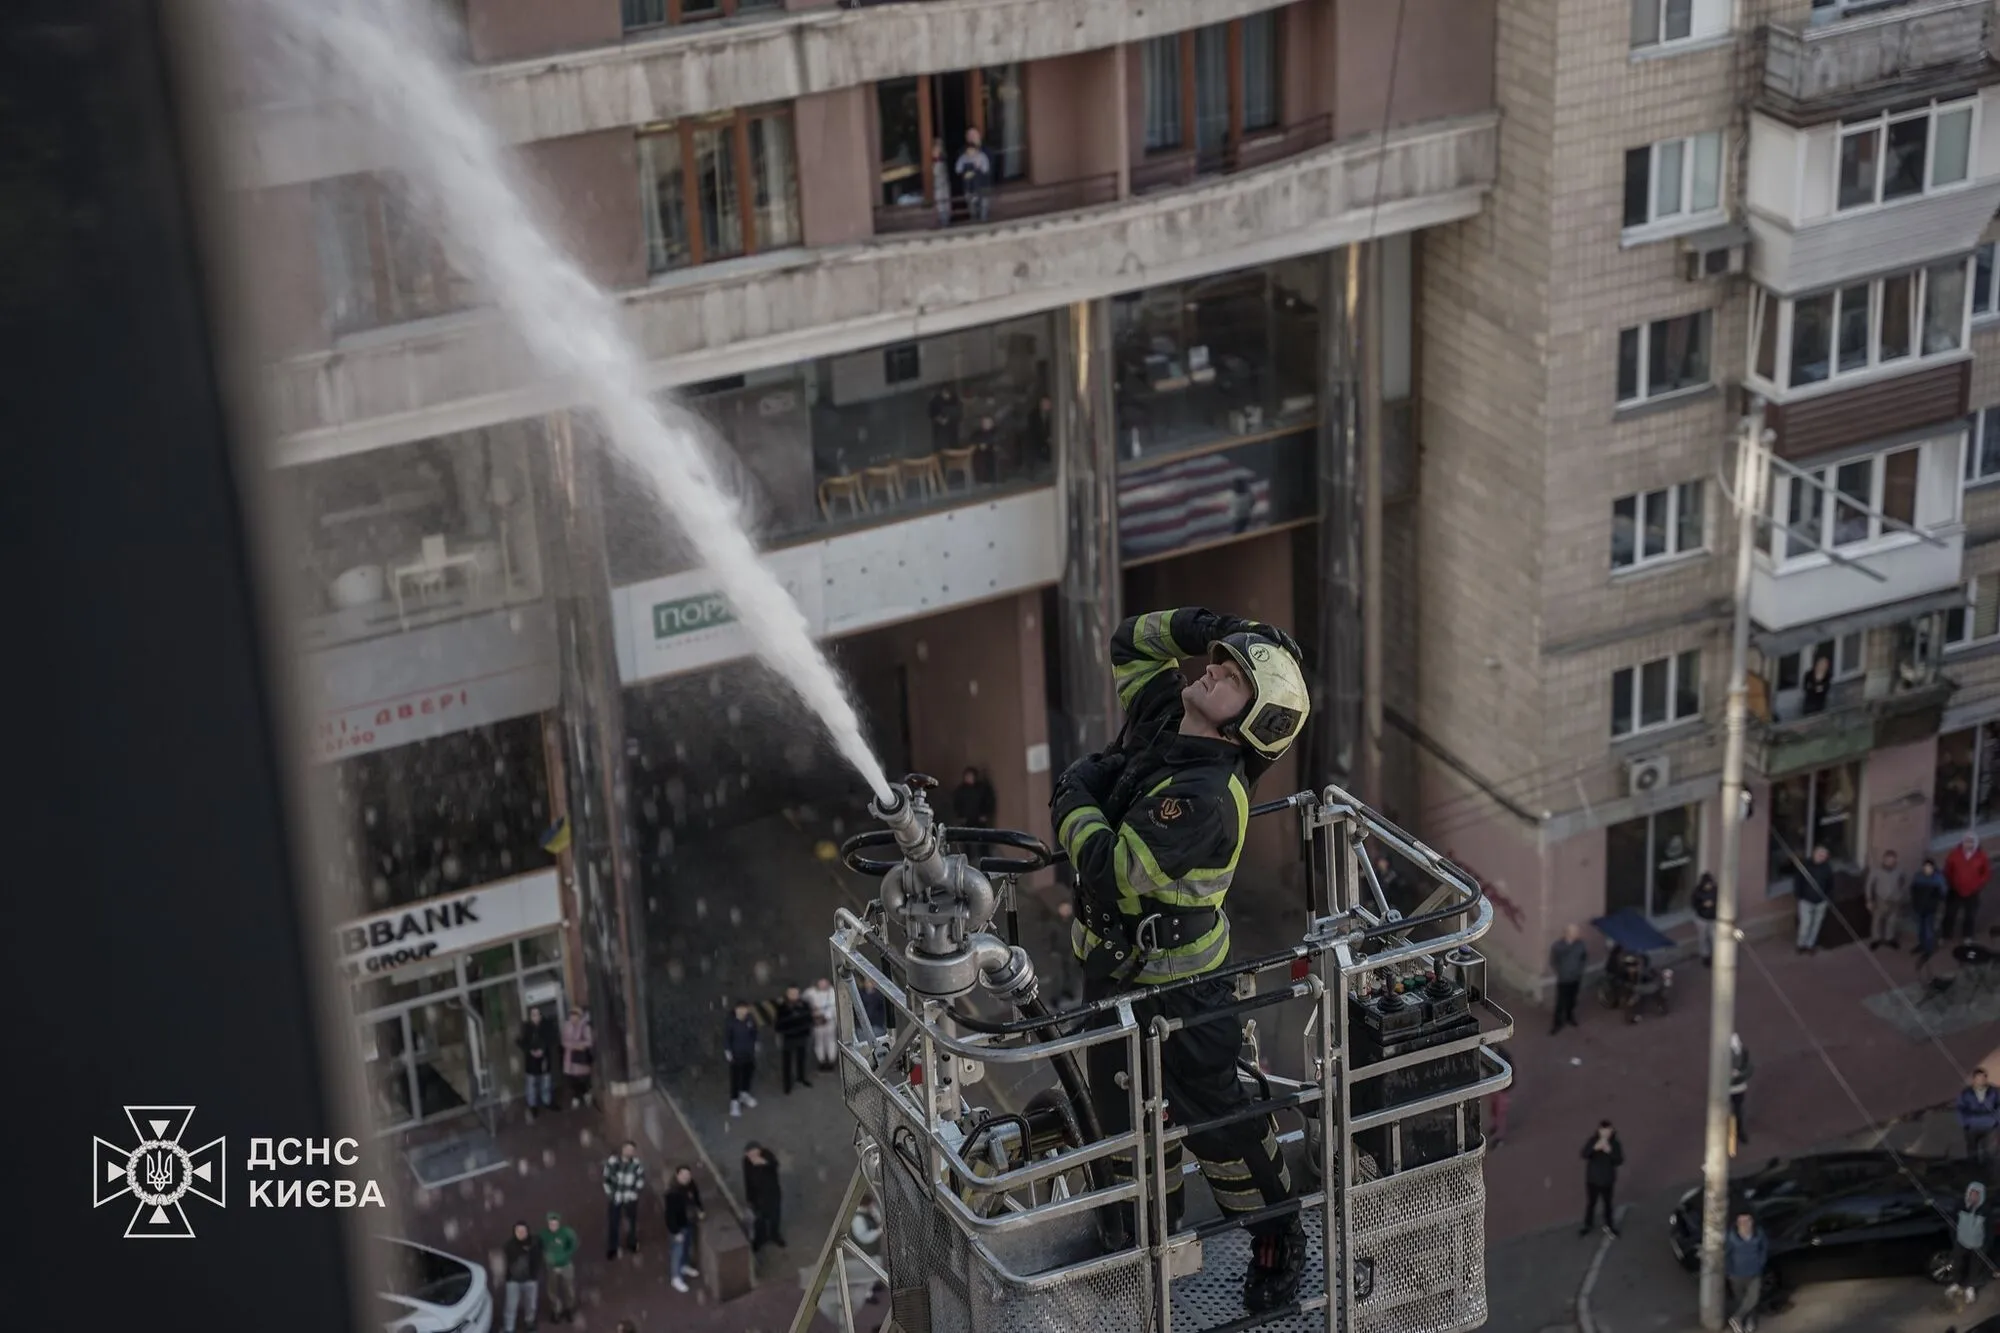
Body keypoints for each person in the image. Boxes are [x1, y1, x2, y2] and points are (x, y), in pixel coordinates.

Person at [1051, 606, 1313, 1314]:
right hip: (1113, 980)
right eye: (1222, 657)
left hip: (1187, 992)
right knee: (1122, 1127)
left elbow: (1112, 868)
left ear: (1246, 724)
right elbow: (1129, 641)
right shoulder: (1168, 714)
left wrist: (1073, 795)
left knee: (1219, 1122)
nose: (1216, 667)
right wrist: (1207, 624)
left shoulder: (1205, 797)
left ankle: (1274, 1235)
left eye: (1233, 675)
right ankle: (1143, 1248)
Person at [1724, 1211, 1768, 1332]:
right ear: (1737, 1223)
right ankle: (1744, 1323)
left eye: (1747, 1220)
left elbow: (1763, 1248)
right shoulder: (1731, 1236)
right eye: (1741, 1221)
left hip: (1755, 1273)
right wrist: (1729, 1271)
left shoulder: (1758, 1233)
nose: (1744, 1224)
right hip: (1737, 1275)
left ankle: (1737, 1318)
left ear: (1752, 1221)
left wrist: (1761, 1262)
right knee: (1741, 1301)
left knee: (1753, 1298)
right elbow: (1726, 1254)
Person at [1580, 1120, 1624, 1238]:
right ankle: (1587, 1224)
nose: (1606, 1134)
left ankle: (1609, 1225)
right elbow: (1584, 1154)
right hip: (1593, 1180)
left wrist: (1609, 1151)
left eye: (1609, 1131)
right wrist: (1595, 1148)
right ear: (1600, 1130)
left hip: (1607, 1181)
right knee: (1591, 1203)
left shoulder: (1615, 1144)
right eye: (1604, 1131)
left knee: (1608, 1204)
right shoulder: (1593, 1141)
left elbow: (1619, 1160)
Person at [664, 1164, 704, 1294]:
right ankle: (676, 1277)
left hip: (688, 1221)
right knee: (677, 1251)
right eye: (683, 1175)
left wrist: (700, 1209)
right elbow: (669, 1215)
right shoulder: (672, 1193)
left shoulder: (691, 1185)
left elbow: (696, 1198)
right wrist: (675, 1231)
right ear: (677, 1175)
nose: (686, 1177)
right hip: (679, 1225)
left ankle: (684, 1266)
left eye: (688, 1175)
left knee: (686, 1246)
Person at [1948, 1180, 1989, 1305]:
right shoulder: (1960, 1205)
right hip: (1961, 1242)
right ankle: (1956, 1284)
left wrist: (1985, 1245)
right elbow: (1952, 1223)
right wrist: (1954, 1239)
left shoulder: (1985, 1210)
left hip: (1978, 1245)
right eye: (1972, 1193)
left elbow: (1989, 1230)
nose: (1974, 1197)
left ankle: (1970, 1288)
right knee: (1958, 1264)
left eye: (1977, 1194)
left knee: (1974, 1268)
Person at [602, 1141, 644, 1260]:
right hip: (616, 1198)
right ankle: (613, 1247)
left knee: (631, 1222)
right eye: (627, 1149)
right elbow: (606, 1179)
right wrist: (611, 1194)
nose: (629, 1152)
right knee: (613, 1223)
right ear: (623, 1150)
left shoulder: (637, 1164)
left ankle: (631, 1243)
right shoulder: (613, 1162)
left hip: (630, 1198)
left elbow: (640, 1180)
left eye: (632, 1150)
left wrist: (634, 1193)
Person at [1946, 833, 1991, 942]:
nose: (1968, 844)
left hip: (1972, 891)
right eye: (1966, 842)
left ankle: (1967, 935)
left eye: (1971, 842)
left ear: (1975, 843)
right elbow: (1948, 869)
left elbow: (1986, 872)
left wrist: (1979, 883)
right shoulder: (1954, 854)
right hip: (1956, 890)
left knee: (1970, 915)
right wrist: (1952, 882)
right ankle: (1947, 934)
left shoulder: (1981, 856)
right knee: (1950, 913)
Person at [501, 1219, 544, 1333]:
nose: (520, 1233)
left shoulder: (535, 1242)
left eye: (523, 1231)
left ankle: (529, 1323)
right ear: (514, 1232)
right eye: (518, 1231)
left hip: (530, 1279)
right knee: (511, 1306)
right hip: (513, 1280)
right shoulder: (509, 1246)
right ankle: (509, 1328)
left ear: (527, 1231)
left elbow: (539, 1255)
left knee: (531, 1305)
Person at [539, 1211, 579, 1324]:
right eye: (551, 1224)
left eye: (555, 1224)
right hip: (551, 1267)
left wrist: (566, 1255)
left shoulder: (566, 1233)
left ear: (559, 1223)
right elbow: (539, 1247)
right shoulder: (544, 1235)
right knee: (552, 1289)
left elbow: (574, 1244)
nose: (553, 1226)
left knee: (569, 1288)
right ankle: (556, 1310)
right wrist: (545, 1257)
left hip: (566, 1265)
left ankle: (569, 1308)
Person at [744, 1142, 784, 1252]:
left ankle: (774, 1235)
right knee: (759, 1219)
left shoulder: (767, 1156)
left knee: (774, 1217)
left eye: (752, 1154)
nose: (751, 1157)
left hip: (772, 1194)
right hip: (758, 1196)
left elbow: (774, 1165)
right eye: (749, 1155)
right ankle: (760, 1240)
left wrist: (763, 1163)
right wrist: (750, 1198)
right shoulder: (747, 1162)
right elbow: (747, 1179)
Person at [519, 1004, 558, 1116]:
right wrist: (530, 1050)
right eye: (533, 1015)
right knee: (531, 1084)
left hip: (544, 1058)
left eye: (537, 1014)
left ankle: (547, 1102)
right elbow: (522, 1042)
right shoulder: (526, 1028)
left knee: (545, 1081)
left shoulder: (546, 1026)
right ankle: (533, 1106)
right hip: (531, 1060)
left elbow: (552, 1038)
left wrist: (543, 1049)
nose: (535, 1017)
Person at [1795, 845, 1834, 954]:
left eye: (1824, 855)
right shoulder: (1805, 865)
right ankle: (1801, 944)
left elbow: (1830, 884)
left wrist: (1828, 898)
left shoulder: (1827, 868)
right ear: (1814, 853)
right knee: (1805, 924)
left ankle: (1810, 945)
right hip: (1806, 900)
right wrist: (1799, 896)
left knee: (1816, 924)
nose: (1821, 857)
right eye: (1819, 854)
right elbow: (1798, 882)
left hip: (1821, 901)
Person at [1865, 848, 1906, 951]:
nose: (1890, 862)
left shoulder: (1899, 870)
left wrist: (1900, 893)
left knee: (1892, 920)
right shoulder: (1876, 870)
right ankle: (1876, 939)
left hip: (1895, 900)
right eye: (1888, 860)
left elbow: (1902, 881)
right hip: (1881, 899)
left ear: (1895, 861)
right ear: (1883, 859)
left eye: (1892, 860)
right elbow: (1869, 885)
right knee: (1877, 919)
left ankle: (1889, 938)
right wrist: (1869, 899)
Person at [775, 985, 814, 1093]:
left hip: (802, 1037)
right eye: (791, 993)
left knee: (801, 1059)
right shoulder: (782, 1007)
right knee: (787, 1062)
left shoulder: (804, 1005)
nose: (793, 995)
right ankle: (787, 1085)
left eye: (795, 993)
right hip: (788, 1038)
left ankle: (801, 1078)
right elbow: (778, 1023)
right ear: (787, 994)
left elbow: (809, 1019)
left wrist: (807, 1031)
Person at [1549, 924, 1587, 1034]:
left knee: (1572, 1000)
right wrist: (1560, 971)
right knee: (1560, 1002)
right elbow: (1553, 961)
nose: (1578, 934)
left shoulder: (1581, 944)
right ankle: (1557, 1024)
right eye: (1575, 932)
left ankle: (1570, 1017)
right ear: (1568, 933)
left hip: (1575, 978)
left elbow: (1584, 958)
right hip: (1564, 979)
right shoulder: (1558, 946)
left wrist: (1580, 970)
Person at [724, 1000, 759, 1117]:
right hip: (736, 1056)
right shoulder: (731, 1023)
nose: (742, 1011)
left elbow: (755, 1033)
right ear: (735, 1009)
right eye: (740, 1009)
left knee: (747, 1075)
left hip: (749, 1055)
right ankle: (734, 1101)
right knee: (735, 1079)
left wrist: (756, 1043)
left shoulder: (750, 1020)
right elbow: (727, 1038)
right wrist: (728, 1051)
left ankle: (744, 1094)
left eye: (744, 1009)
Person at [1958, 1067, 2000, 1164]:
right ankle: (1974, 1172)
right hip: (1972, 1128)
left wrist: (1996, 1121)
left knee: (1990, 1153)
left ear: (1986, 1079)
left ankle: (1989, 1173)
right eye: (1978, 1078)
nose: (1980, 1080)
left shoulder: (1994, 1092)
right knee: (1972, 1153)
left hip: (1990, 1127)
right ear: (1974, 1079)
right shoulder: (1966, 1093)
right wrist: (1965, 1123)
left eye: (1982, 1078)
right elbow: (1960, 1109)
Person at [1912, 857, 1947, 958]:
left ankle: (1929, 948)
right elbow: (1913, 891)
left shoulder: (1938, 879)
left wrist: (1935, 902)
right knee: (1920, 928)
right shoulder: (1918, 877)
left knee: (1928, 929)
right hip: (1919, 908)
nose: (1927, 869)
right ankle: (1922, 945)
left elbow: (1943, 893)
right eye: (1925, 867)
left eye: (1929, 867)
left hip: (1931, 908)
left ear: (1933, 868)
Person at [955, 128, 992, 222]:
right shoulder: (962, 153)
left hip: (984, 186)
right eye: (969, 136)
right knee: (973, 211)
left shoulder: (986, 151)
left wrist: (979, 166)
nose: (972, 138)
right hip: (969, 187)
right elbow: (958, 170)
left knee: (984, 210)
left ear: (979, 136)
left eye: (974, 135)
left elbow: (989, 168)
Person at [560, 1006, 594, 1110]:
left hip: (580, 1059)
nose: (572, 1017)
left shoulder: (585, 1027)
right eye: (571, 1015)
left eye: (575, 1015)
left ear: (579, 1016)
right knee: (572, 1080)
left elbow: (589, 1042)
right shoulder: (567, 1026)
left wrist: (578, 1045)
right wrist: (573, 1045)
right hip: (569, 1059)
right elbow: (564, 1041)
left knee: (583, 1079)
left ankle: (586, 1095)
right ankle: (576, 1097)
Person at [806, 976, 839, 1071]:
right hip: (817, 1022)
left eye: (824, 983)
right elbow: (804, 999)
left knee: (831, 1041)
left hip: (829, 1022)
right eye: (821, 983)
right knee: (819, 1042)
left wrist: (826, 1017)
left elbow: (834, 1007)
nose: (822, 985)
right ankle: (822, 1061)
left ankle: (831, 1061)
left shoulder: (832, 992)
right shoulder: (811, 992)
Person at [1729, 1033, 1752, 1148]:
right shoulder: (1721, 1054)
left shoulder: (1744, 1052)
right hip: (1726, 1088)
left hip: (1738, 1087)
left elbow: (1749, 1069)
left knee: (1738, 1111)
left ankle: (1738, 1131)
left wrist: (1739, 1074)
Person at [1691, 872, 1719, 965]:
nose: (1709, 886)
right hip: (1702, 918)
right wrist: (1703, 905)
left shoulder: (1715, 890)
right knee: (1703, 938)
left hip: (1713, 918)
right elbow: (1694, 905)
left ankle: (1716, 955)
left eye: (1710, 884)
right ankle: (1705, 957)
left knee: (1714, 937)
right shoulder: (1697, 892)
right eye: (1707, 884)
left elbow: (1720, 901)